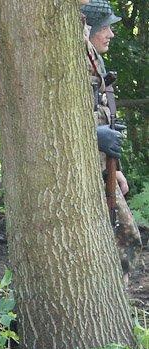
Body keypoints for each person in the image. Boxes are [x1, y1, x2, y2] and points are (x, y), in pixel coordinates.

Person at [81, 0, 142, 281]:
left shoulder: (93, 56)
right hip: (83, 165)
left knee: (124, 236)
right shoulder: (78, 57)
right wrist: (92, 133)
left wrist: (115, 169)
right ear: (90, 28)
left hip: (101, 163)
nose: (111, 34)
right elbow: (68, 114)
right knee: (124, 236)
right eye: (105, 27)